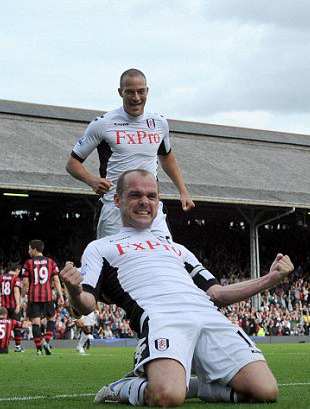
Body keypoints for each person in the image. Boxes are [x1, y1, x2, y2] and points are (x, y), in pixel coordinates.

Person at [60, 169, 295, 406]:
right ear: (117, 200)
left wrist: (269, 279)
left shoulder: (178, 249)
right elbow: (87, 305)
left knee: (264, 391)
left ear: (158, 202)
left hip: (208, 316)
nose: (144, 202)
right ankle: (122, 388)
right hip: (162, 320)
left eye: (151, 196)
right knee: (167, 397)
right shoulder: (101, 247)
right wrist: (74, 290)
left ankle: (187, 385)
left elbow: (216, 294)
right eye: (135, 195)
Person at [65, 68, 194, 239]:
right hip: (115, 208)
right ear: (120, 92)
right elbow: (72, 164)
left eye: (141, 91)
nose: (136, 98)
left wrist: (183, 191)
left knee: (165, 259)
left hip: (150, 208)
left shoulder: (159, 123)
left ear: (147, 91)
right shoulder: (103, 124)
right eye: (130, 92)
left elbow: (166, 156)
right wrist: (92, 180)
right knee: (113, 264)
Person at [21, 240, 64, 356]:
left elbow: (25, 283)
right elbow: (56, 281)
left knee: (35, 323)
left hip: (34, 297)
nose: (28, 251)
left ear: (35, 249)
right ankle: (46, 341)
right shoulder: (51, 262)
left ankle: (39, 349)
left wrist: (22, 296)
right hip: (47, 296)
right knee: (51, 319)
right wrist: (60, 295)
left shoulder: (28, 263)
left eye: (29, 249)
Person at [0, 262, 24, 352]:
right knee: (16, 326)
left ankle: (3, 345)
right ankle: (18, 347)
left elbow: (0, 290)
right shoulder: (16, 278)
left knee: (5, 326)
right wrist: (18, 304)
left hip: (4, 306)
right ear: (17, 270)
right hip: (12, 305)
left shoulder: (2, 277)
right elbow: (16, 291)